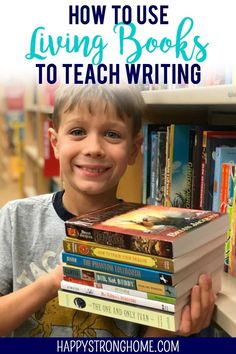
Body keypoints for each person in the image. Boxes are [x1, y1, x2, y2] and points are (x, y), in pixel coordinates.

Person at [0, 84, 216, 337]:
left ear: (134, 150)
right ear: (55, 143)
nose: (94, 148)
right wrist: (53, 282)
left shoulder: (153, 234)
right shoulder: (16, 218)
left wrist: (174, 327)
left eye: (112, 134)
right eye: (78, 131)